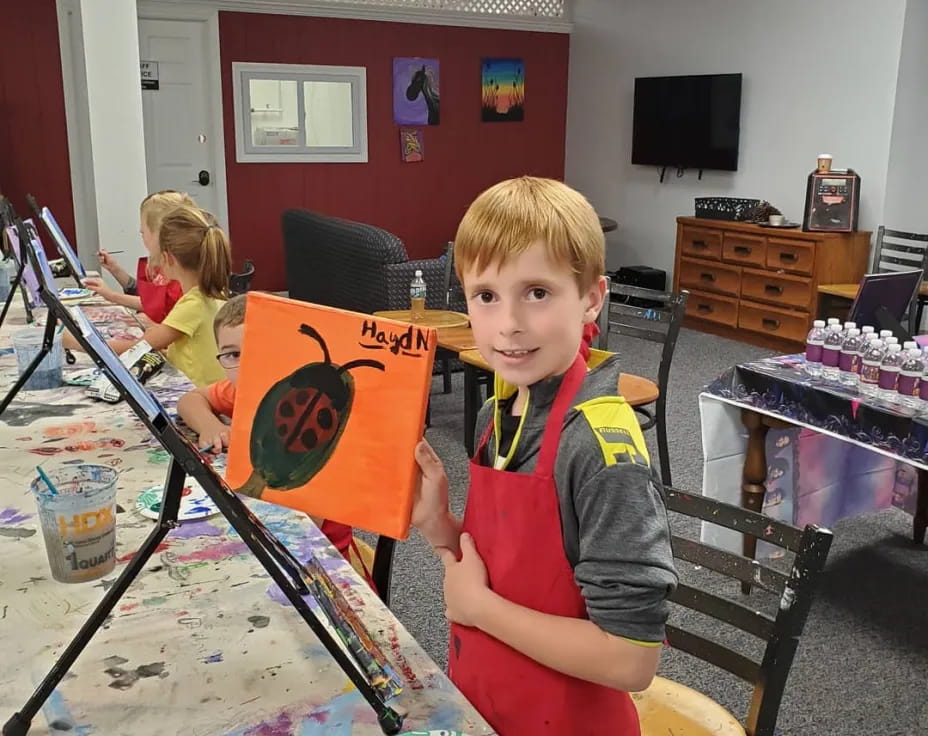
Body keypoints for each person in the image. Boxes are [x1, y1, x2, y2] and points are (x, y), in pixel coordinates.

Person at [412, 176, 677, 734]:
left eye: (537, 292)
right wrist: (442, 532)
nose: (508, 323)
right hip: (489, 704)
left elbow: (631, 660)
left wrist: (480, 610)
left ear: (591, 299)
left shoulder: (600, 450)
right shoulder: (498, 414)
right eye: (486, 296)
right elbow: (499, 575)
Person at [175, 295, 370, 584]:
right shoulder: (239, 392)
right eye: (232, 354)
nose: (244, 365)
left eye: (255, 349)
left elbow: (301, 533)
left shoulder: (300, 401)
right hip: (264, 537)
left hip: (323, 566)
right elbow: (190, 400)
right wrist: (210, 425)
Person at [64, 204, 230, 387]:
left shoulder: (193, 303)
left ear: (167, 259)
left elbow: (137, 349)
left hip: (199, 395)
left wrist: (75, 341)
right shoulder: (211, 292)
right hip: (206, 389)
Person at [83, 190, 190, 323]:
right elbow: (140, 292)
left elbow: (154, 305)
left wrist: (111, 295)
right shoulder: (162, 263)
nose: (142, 236)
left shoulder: (179, 270)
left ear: (159, 234)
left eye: (143, 233)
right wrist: (114, 269)